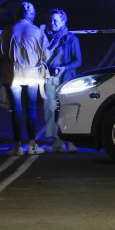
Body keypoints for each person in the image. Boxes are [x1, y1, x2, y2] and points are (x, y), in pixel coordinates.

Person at [0, 2, 50, 155]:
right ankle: (32, 145)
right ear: (32, 15)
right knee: (31, 109)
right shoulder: (37, 31)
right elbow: (45, 55)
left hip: (13, 74)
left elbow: (1, 52)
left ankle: (18, 146)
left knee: (16, 109)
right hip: (32, 74)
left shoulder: (8, 31)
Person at [42, 8, 82, 153]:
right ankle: (57, 141)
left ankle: (71, 141)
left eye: (55, 21)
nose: (52, 23)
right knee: (50, 110)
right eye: (50, 20)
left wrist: (64, 68)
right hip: (49, 78)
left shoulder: (71, 39)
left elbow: (78, 61)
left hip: (65, 80)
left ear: (63, 22)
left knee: (66, 110)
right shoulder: (45, 37)